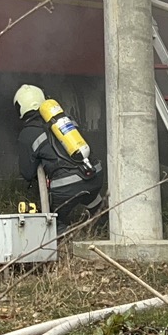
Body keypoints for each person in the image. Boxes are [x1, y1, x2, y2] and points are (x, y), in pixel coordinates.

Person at [14, 84, 104, 232]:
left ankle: (66, 239)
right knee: (93, 199)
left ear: (21, 107)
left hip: (66, 186)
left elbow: (27, 173)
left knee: (54, 220)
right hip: (94, 173)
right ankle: (105, 226)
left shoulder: (27, 134)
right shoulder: (64, 118)